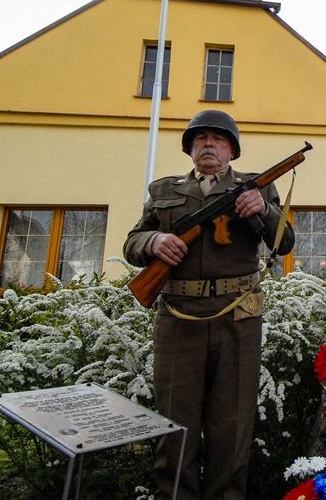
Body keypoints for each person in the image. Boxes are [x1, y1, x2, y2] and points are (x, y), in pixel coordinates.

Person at [123, 109, 294, 500]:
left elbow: (284, 243)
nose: (208, 144)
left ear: (232, 150)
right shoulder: (164, 191)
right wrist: (154, 241)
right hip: (179, 318)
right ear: (190, 149)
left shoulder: (256, 188)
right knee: (175, 422)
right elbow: (132, 242)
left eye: (218, 139)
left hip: (238, 317)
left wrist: (264, 210)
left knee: (232, 425)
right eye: (200, 138)